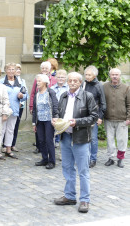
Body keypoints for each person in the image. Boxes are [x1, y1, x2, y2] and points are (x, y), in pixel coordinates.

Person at [54, 72, 98, 213]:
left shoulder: (87, 96)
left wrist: (77, 122)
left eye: (75, 81)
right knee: (67, 168)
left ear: (80, 82)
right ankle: (70, 196)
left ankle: (85, 200)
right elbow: (58, 112)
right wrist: (55, 119)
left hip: (80, 138)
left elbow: (94, 117)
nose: (72, 83)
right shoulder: (63, 96)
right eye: (70, 80)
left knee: (83, 171)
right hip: (65, 137)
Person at [103, 68, 130, 168]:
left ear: (120, 76)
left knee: (122, 140)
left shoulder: (126, 88)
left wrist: (128, 118)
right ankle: (111, 158)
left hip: (122, 119)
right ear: (110, 75)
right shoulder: (104, 87)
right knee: (110, 140)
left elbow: (129, 104)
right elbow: (102, 102)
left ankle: (120, 159)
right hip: (108, 118)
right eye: (113, 74)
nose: (114, 76)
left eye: (116, 74)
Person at [0, 63, 27, 159]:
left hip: (15, 109)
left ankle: (8, 149)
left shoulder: (20, 82)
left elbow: (25, 95)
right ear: (6, 71)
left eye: (13, 69)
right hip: (3, 110)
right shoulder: (1, 81)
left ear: (15, 71)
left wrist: (22, 96)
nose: (11, 71)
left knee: (10, 130)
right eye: (9, 69)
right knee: (1, 130)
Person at [32, 74, 59, 169]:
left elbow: (55, 105)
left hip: (49, 120)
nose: (37, 83)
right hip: (40, 121)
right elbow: (35, 110)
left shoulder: (50, 92)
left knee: (49, 140)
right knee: (41, 140)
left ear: (45, 82)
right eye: (37, 81)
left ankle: (52, 161)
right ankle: (44, 159)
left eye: (39, 81)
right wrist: (34, 123)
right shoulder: (37, 94)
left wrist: (55, 117)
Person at [30, 61, 57, 154]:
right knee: (40, 136)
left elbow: (54, 103)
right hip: (39, 115)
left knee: (49, 138)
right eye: (43, 68)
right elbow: (33, 95)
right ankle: (42, 153)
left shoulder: (52, 85)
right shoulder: (37, 86)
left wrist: (55, 116)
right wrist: (31, 107)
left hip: (49, 117)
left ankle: (51, 159)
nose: (44, 70)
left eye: (46, 68)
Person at [82, 66, 106, 168]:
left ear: (94, 75)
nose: (87, 76)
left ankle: (93, 159)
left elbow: (103, 103)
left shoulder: (98, 85)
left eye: (89, 75)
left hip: (94, 115)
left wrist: (100, 117)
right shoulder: (83, 84)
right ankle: (85, 157)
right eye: (86, 74)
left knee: (93, 138)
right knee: (83, 137)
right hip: (83, 115)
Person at [11, 64, 28, 152]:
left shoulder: (23, 81)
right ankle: (6, 144)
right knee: (8, 126)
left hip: (20, 106)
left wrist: (21, 102)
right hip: (11, 106)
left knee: (16, 125)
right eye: (16, 69)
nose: (18, 70)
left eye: (19, 69)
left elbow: (26, 93)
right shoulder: (9, 80)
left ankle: (13, 144)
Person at [50, 69, 69, 148]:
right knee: (54, 128)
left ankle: (63, 149)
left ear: (66, 78)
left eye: (63, 77)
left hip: (65, 111)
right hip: (55, 111)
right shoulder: (52, 88)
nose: (60, 79)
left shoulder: (68, 88)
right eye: (59, 77)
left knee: (64, 130)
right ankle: (53, 146)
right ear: (56, 78)